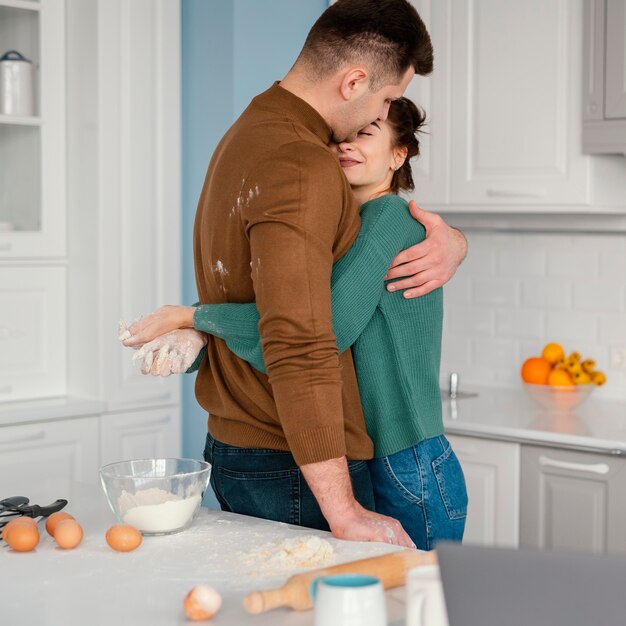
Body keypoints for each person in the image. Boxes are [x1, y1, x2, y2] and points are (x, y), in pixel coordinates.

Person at [122, 0, 467, 547]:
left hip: (249, 445)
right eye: (387, 99)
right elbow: (305, 338)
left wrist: (199, 320)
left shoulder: (250, 133)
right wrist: (344, 510)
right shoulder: (302, 163)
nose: (375, 117)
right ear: (355, 81)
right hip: (295, 456)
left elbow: (293, 299)